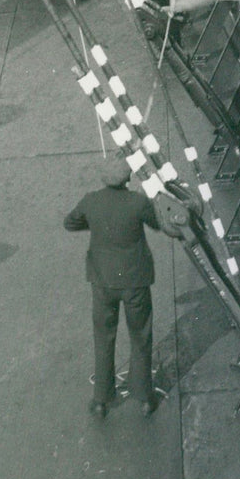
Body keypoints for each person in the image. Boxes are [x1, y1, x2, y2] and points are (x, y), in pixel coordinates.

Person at [64, 154, 161, 419]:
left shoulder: (91, 201)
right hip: (134, 281)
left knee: (103, 336)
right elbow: (158, 222)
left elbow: (70, 223)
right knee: (140, 334)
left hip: (102, 281)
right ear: (127, 177)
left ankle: (101, 400)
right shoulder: (137, 202)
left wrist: (94, 224)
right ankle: (144, 396)